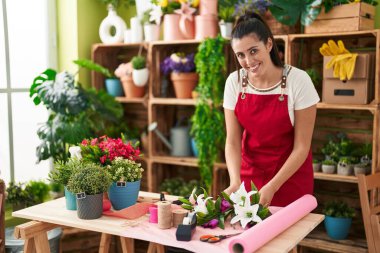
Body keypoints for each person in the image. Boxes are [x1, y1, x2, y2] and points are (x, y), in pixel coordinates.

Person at [223, 12, 320, 207]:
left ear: (268, 44)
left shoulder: (298, 81)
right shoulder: (234, 82)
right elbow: (232, 140)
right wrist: (235, 182)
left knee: (288, 237)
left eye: (253, 51)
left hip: (290, 180)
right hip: (249, 178)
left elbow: (302, 147)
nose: (248, 61)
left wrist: (273, 186)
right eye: (240, 55)